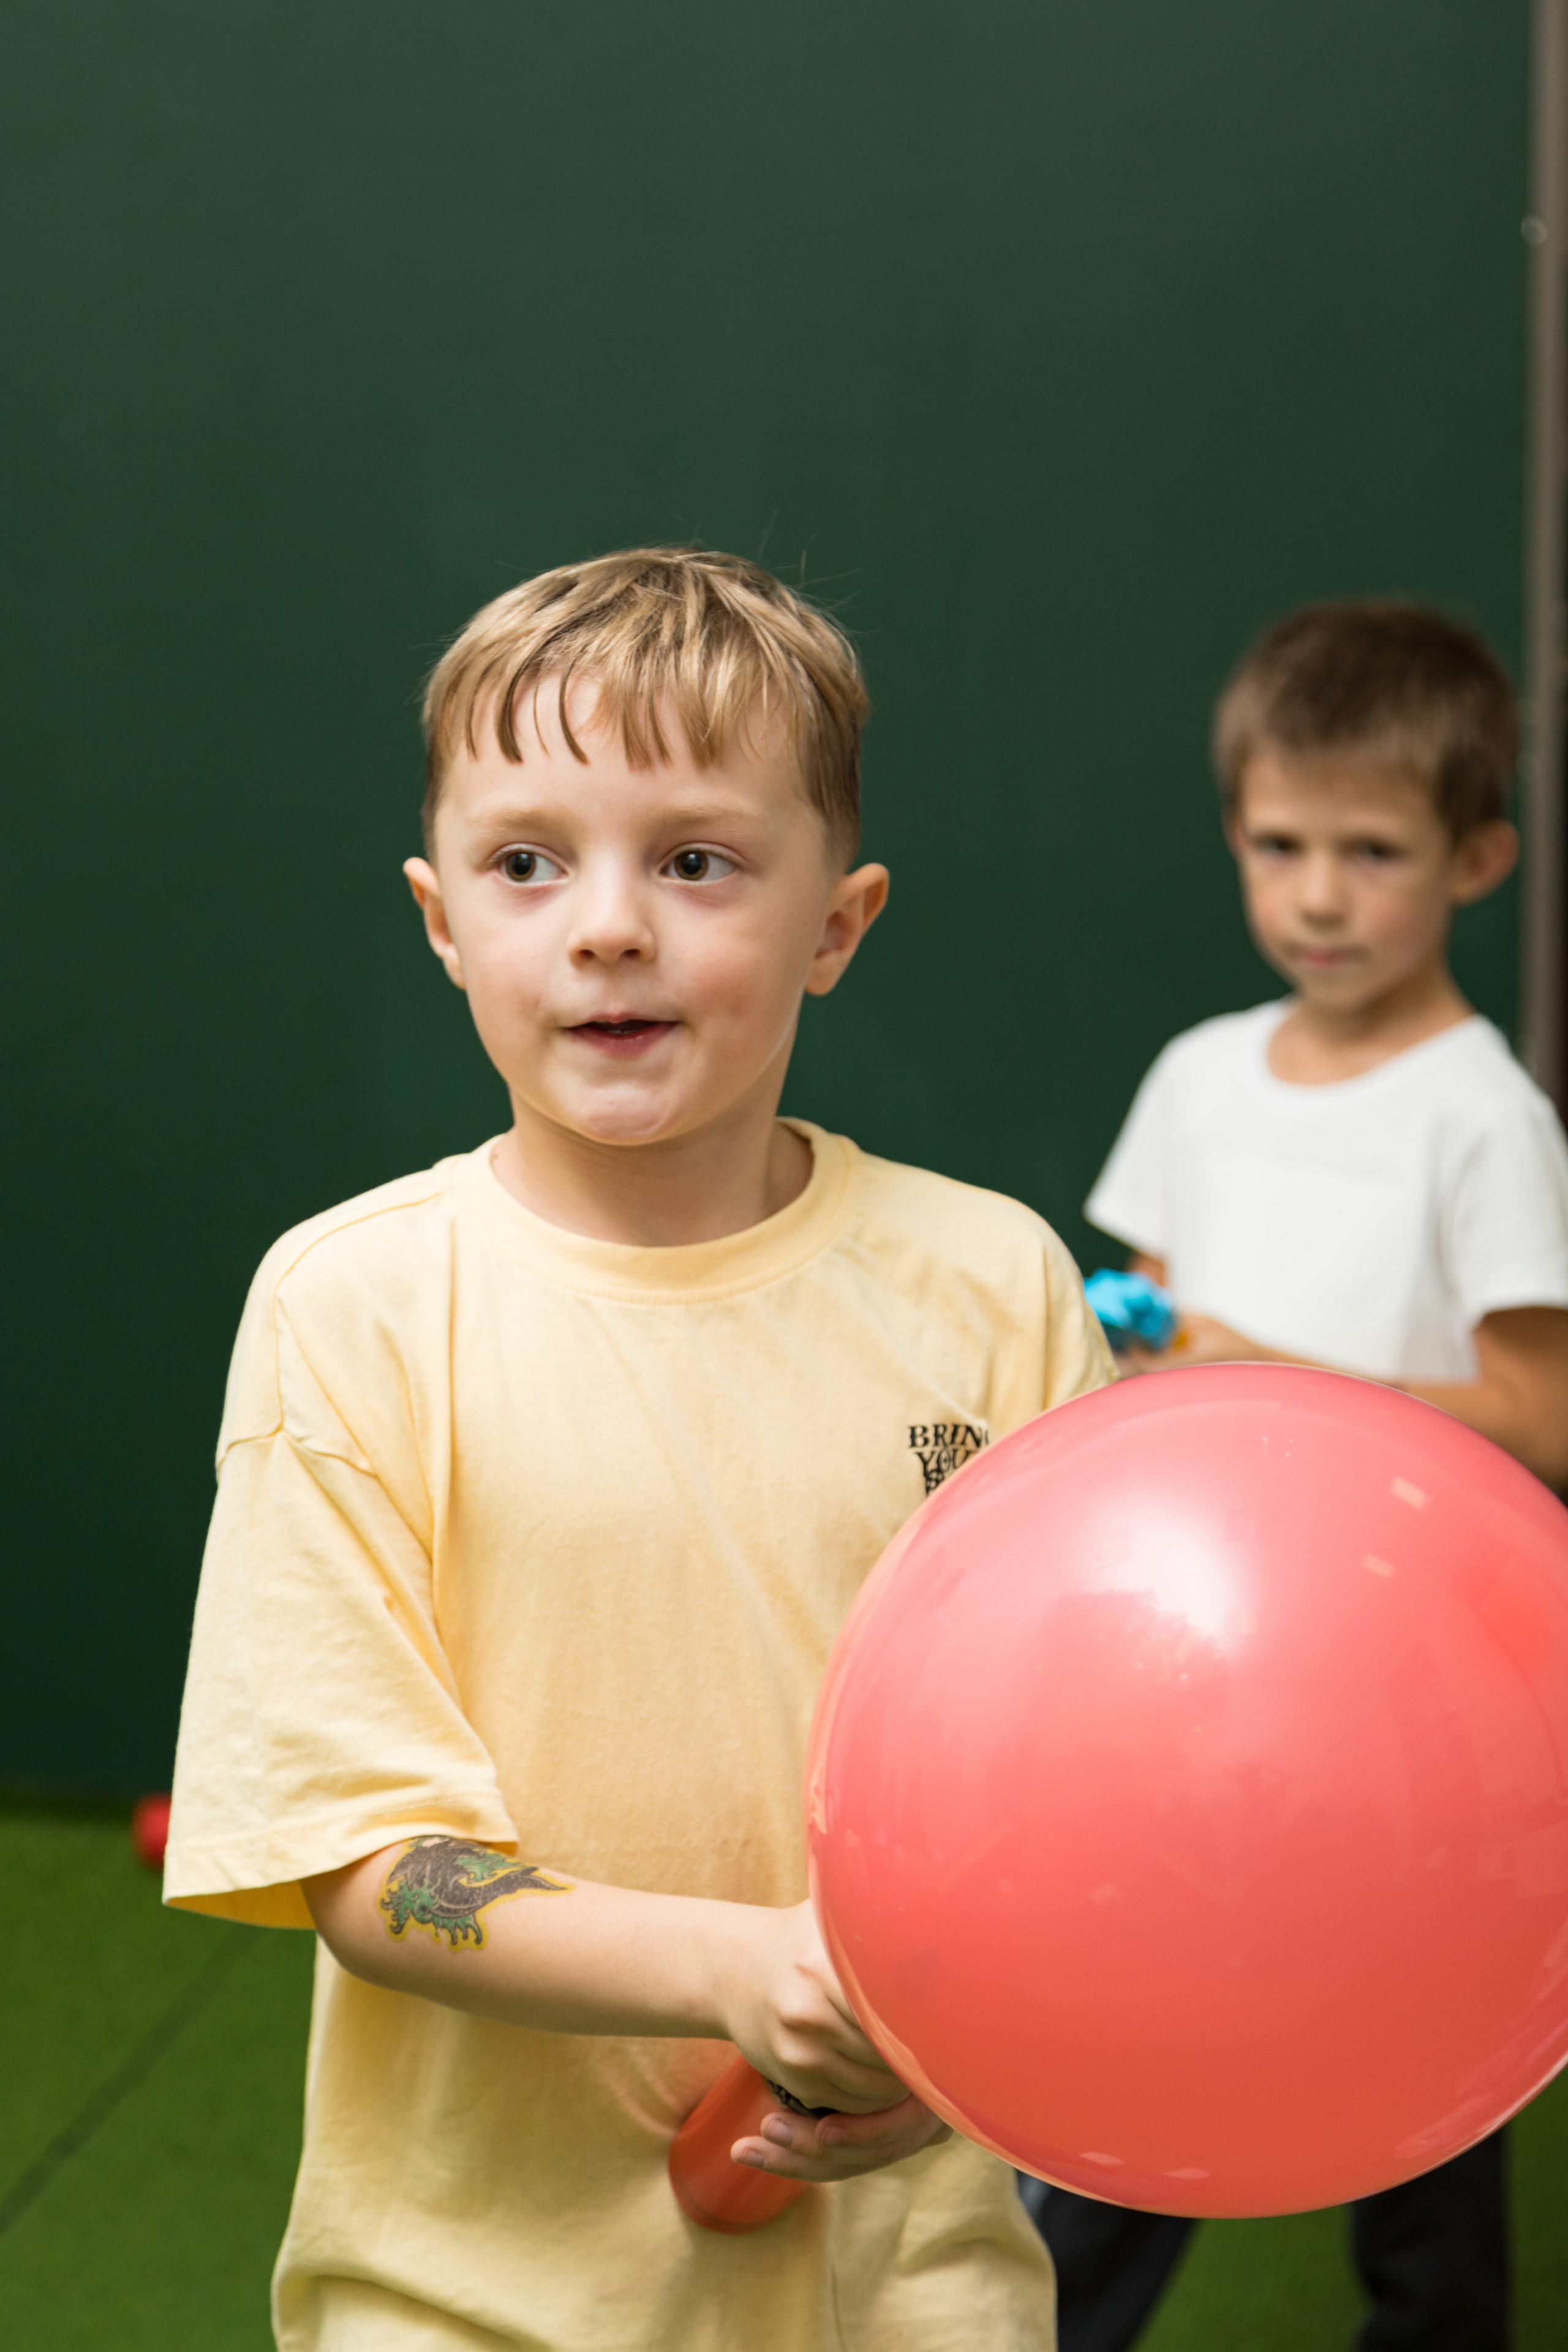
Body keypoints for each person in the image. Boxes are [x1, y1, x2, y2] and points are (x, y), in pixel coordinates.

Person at [164, 546, 1112, 2351]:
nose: (608, 925)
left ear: (838, 922)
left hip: (916, 2301)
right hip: (466, 2309)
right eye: (529, 863)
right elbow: (377, 1867)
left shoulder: (996, 1287)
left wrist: (944, 2051)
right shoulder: (354, 1308)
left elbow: (1079, 1800)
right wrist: (747, 1970)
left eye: (697, 859)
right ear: (445, 922)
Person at [1035, 598, 1568, 2352]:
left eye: (1374, 851)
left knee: (1419, 2080)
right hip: (1194, 1680)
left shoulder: (1483, 1115)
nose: (1320, 894)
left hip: (1416, 1704)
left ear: (1477, 857)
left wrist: (1277, 1378)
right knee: (1163, 2027)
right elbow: (1137, 1339)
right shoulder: (1198, 1076)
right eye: (1280, 845)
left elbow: (1541, 1417)